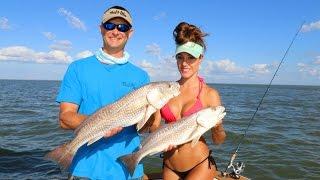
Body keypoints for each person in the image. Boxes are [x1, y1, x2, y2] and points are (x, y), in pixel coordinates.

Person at [56, 5, 149, 180]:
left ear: (130, 33)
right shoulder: (77, 68)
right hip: (85, 169)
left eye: (122, 27)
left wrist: (154, 114)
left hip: (127, 170)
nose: (115, 31)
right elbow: (65, 118)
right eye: (110, 25)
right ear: (101, 29)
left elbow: (146, 127)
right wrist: (101, 125)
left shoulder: (141, 76)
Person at [146, 22, 226, 179]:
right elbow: (154, 126)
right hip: (169, 165)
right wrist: (160, 140)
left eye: (191, 58)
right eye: (180, 57)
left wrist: (217, 128)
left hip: (200, 164)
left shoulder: (210, 94)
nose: (184, 63)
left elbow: (218, 141)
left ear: (200, 58)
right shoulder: (165, 91)